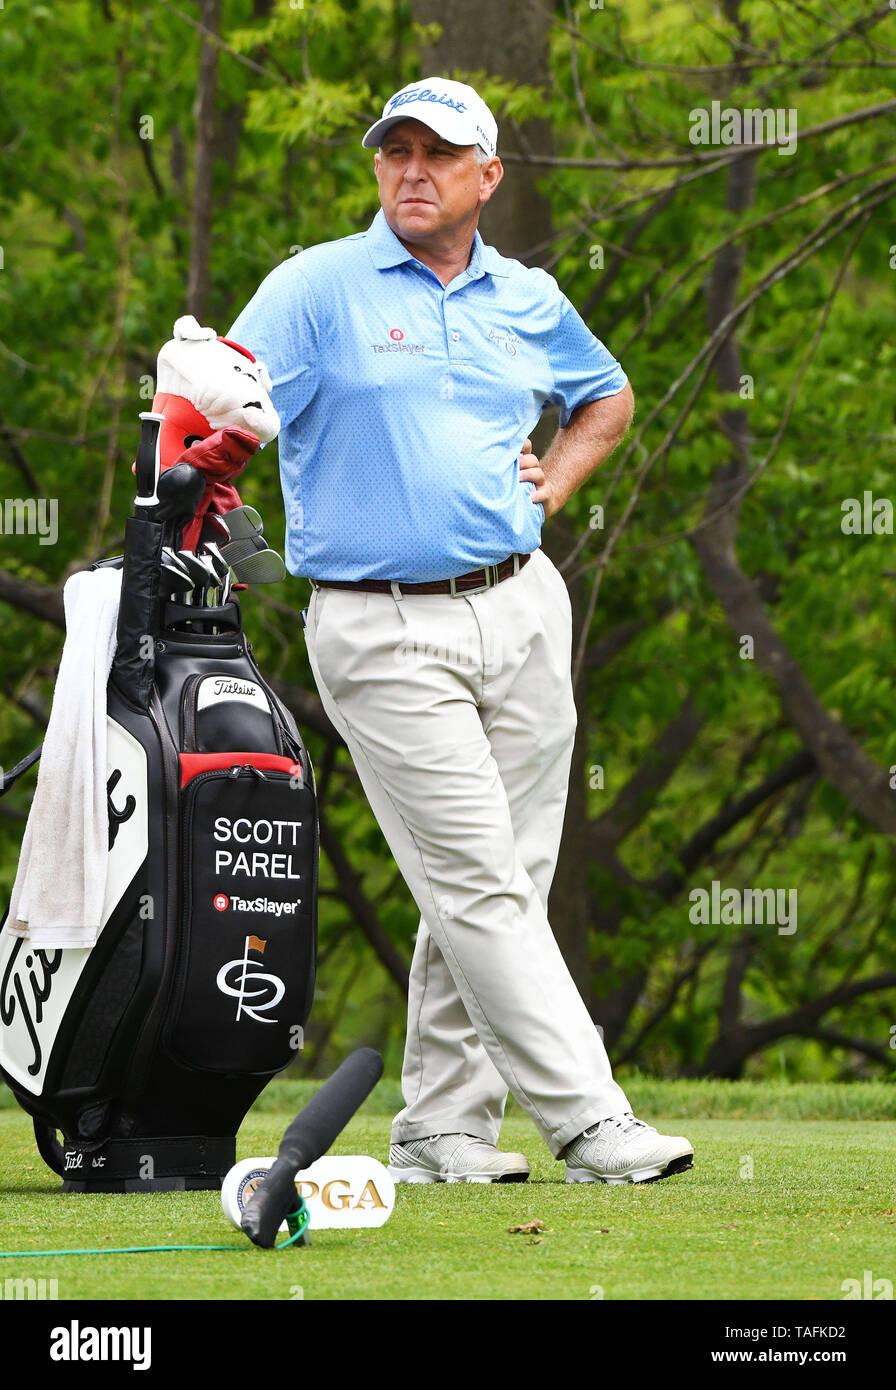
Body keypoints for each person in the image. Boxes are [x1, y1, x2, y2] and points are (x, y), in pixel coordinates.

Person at [228, 77, 694, 1186]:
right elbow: (213, 398)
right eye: (394, 153)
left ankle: (442, 1128)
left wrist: (551, 491)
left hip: (521, 604)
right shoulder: (314, 288)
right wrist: (205, 498)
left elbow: (607, 396)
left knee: (498, 882)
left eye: (437, 156)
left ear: (487, 176)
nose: (410, 173)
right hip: (380, 627)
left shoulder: (526, 296)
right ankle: (591, 1123)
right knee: (477, 878)